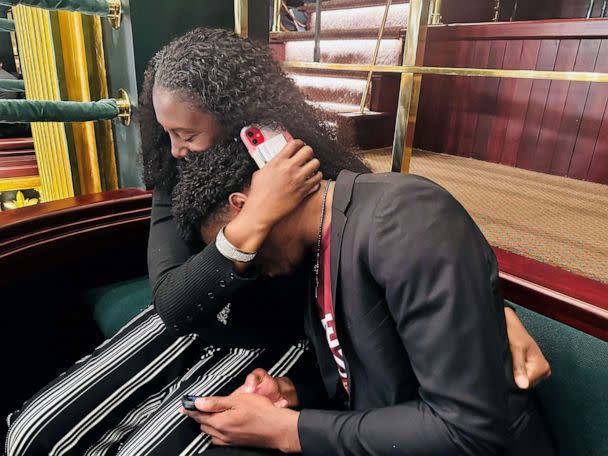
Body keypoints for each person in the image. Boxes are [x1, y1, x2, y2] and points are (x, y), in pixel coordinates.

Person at [4, 28, 549, 456]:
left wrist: (484, 308)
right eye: (166, 131)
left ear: (245, 124)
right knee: (31, 434)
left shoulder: (314, 180)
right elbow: (173, 303)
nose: (173, 151)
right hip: (199, 312)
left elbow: (392, 240)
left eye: (187, 135)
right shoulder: (183, 174)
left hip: (283, 330)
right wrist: (250, 226)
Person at [175, 149, 556, 455]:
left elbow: (467, 430)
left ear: (244, 207)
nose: (254, 271)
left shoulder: (405, 218)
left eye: (245, 255)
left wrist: (288, 431)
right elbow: (372, 370)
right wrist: (289, 390)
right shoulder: (320, 243)